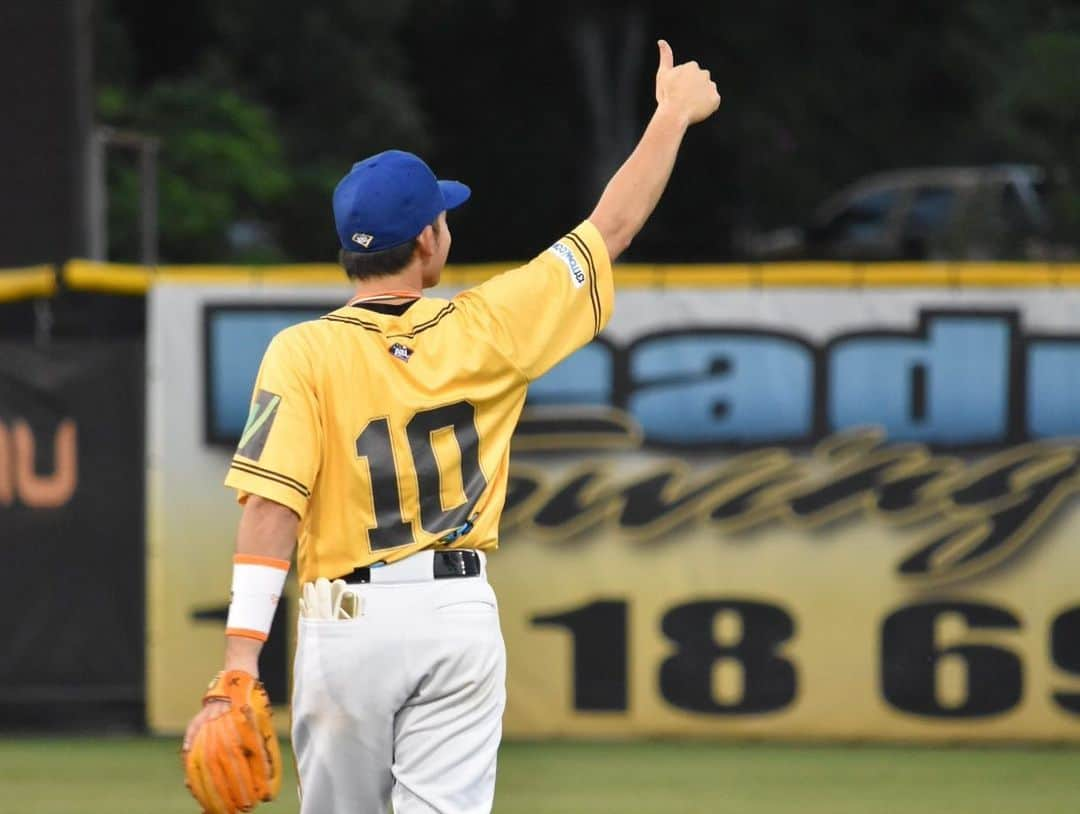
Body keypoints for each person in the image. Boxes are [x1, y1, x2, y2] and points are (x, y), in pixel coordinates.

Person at [182, 38, 720, 814]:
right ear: (430, 240)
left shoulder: (300, 352)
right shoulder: (491, 325)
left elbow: (271, 506)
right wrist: (669, 116)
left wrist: (242, 659)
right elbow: (614, 225)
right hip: (452, 614)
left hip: (344, 624)